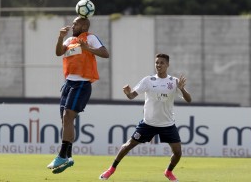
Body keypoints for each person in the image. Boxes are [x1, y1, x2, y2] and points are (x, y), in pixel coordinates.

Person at [99, 53, 191, 182]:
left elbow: (188, 100)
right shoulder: (148, 80)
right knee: (128, 145)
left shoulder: (174, 81)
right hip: (148, 123)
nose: (158, 65)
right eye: (157, 62)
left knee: (178, 152)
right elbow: (132, 96)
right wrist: (127, 93)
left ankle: (168, 172)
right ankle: (111, 170)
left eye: (162, 63)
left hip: (167, 124)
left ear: (168, 65)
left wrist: (182, 89)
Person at [47, 16, 109, 174]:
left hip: (82, 84)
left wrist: (88, 49)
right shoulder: (69, 40)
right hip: (68, 83)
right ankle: (68, 156)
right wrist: (60, 37)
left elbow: (105, 53)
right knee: (65, 120)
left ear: (83, 25)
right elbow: (58, 52)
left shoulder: (91, 38)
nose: (72, 26)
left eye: (75, 24)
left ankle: (62, 155)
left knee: (68, 116)